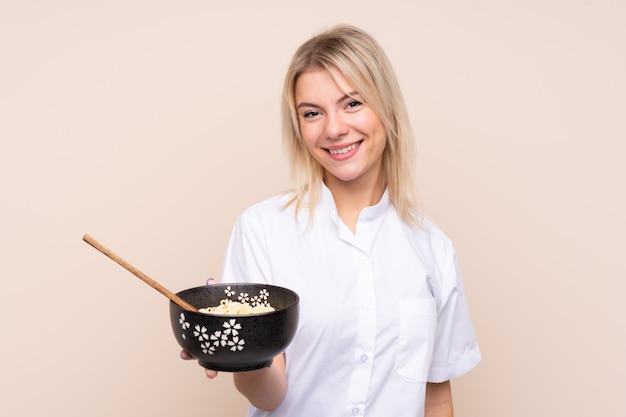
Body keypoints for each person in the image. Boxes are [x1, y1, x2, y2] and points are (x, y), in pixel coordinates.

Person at [181, 23, 481, 417]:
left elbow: (436, 396)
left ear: (387, 108)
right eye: (312, 113)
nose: (334, 129)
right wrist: (243, 349)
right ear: (299, 127)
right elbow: (269, 396)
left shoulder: (433, 247)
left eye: (353, 103)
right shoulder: (262, 230)